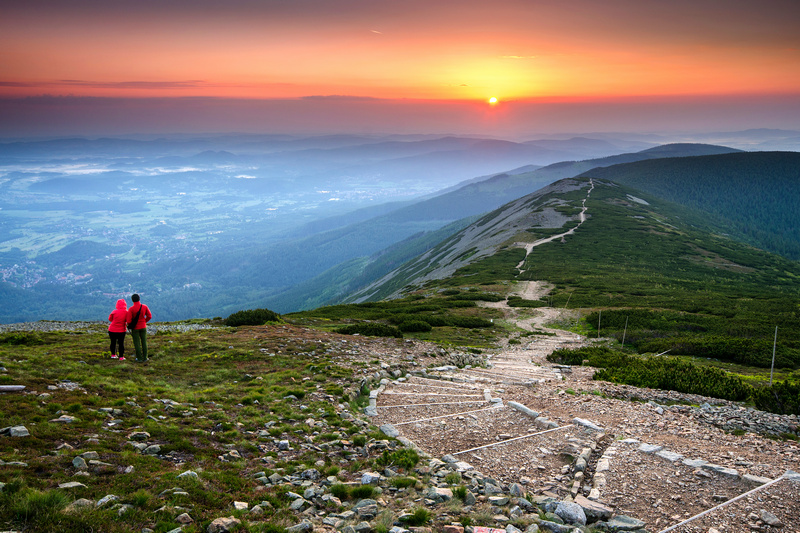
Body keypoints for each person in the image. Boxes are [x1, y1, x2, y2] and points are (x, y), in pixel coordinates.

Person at [126, 293, 152, 362]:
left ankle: (139, 358)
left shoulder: (131, 309)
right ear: (139, 299)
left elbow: (128, 320)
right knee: (144, 342)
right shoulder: (144, 306)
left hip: (135, 328)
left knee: (137, 343)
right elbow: (149, 316)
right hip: (143, 327)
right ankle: (145, 357)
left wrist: (131, 325)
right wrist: (144, 322)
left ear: (132, 300)